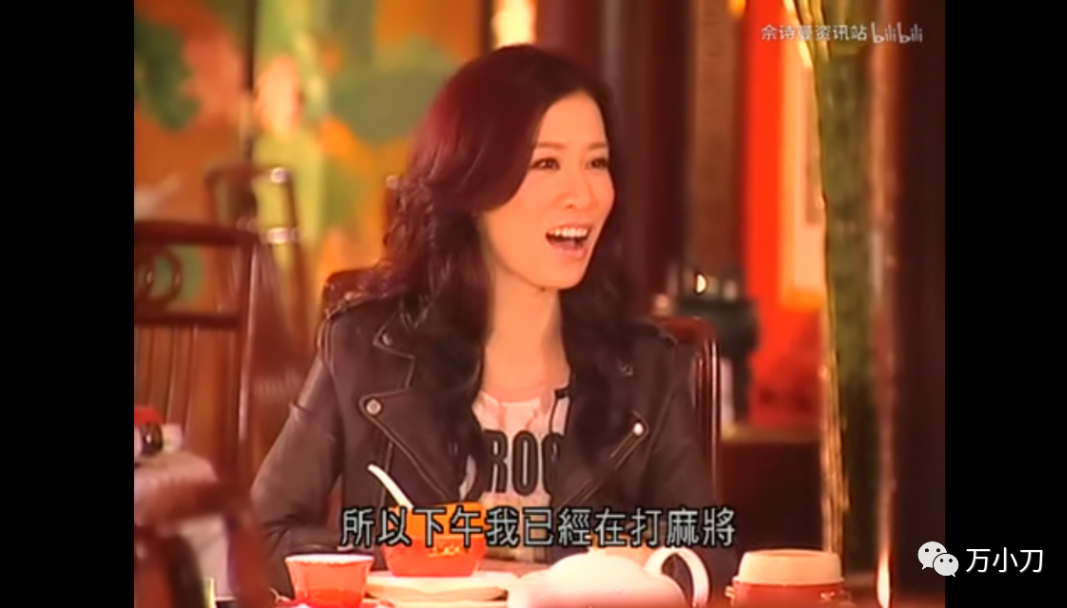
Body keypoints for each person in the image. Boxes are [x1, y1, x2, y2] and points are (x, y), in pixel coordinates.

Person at [251, 44, 736, 598]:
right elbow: (261, 537)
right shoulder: (364, 348)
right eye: (546, 164)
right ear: (474, 185)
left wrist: (638, 568)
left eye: (596, 163)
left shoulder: (646, 366)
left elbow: (712, 550)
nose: (583, 195)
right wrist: (424, 559)